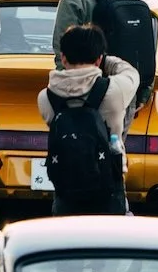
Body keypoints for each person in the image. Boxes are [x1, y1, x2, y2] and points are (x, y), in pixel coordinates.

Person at [38, 22, 141, 216]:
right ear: (98, 59)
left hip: (65, 189)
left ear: (63, 58)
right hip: (108, 186)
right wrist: (107, 62)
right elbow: (131, 73)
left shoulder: (45, 97)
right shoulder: (114, 90)